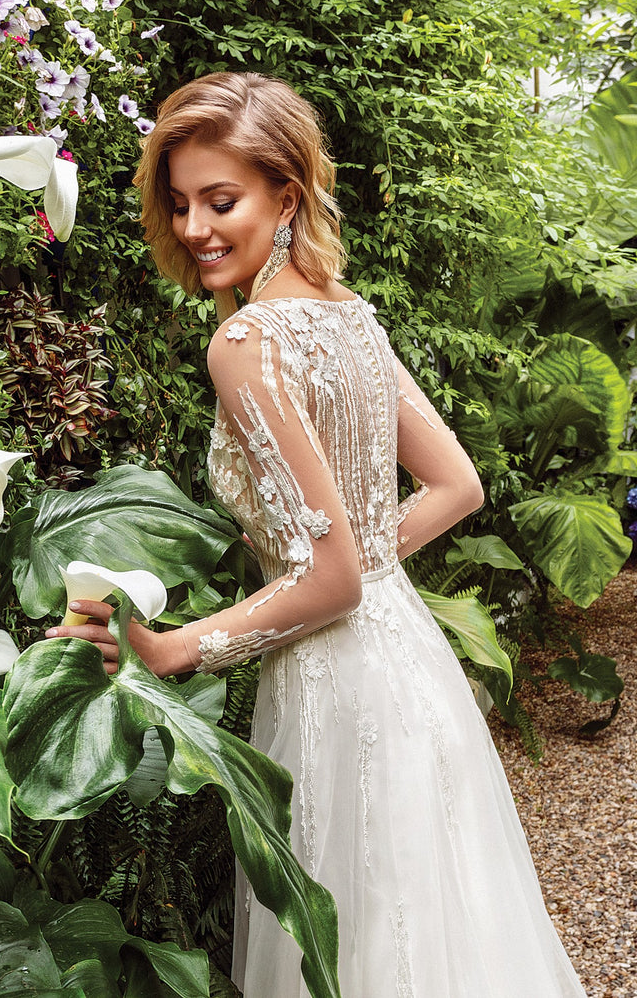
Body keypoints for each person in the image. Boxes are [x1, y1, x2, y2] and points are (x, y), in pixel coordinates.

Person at [46, 72, 588, 997]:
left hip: (336, 686)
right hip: (410, 663)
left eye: (222, 200)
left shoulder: (246, 343)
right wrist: (359, 566)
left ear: (286, 196)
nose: (193, 229)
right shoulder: (350, 316)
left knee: (360, 945)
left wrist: (173, 648)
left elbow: (330, 581)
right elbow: (455, 486)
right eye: (179, 204)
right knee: (435, 928)